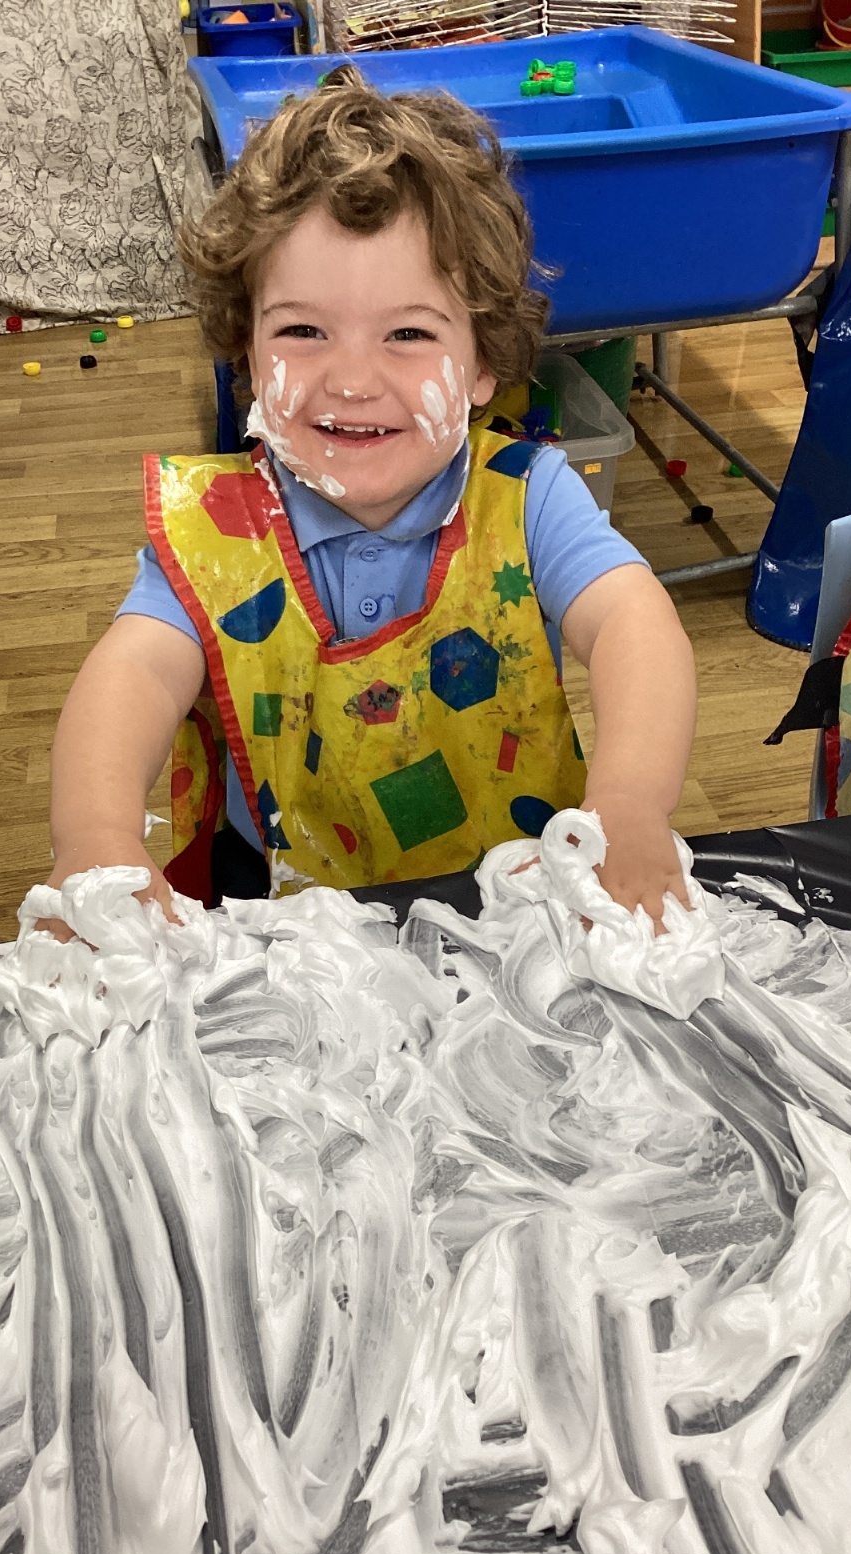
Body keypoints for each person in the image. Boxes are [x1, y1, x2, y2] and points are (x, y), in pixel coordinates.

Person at [47, 68, 695, 928]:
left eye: (408, 333)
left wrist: (631, 801)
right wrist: (94, 837)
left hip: (509, 896)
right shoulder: (214, 535)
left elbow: (633, 625)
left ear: (482, 363)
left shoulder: (529, 499)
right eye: (303, 330)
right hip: (282, 903)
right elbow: (132, 673)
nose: (352, 380)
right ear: (247, 348)